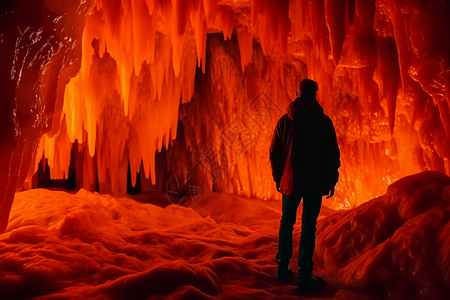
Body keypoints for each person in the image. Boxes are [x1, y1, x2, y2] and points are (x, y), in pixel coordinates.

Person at [269, 79, 340, 291]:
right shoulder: (323, 122)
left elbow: (275, 153)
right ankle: (304, 274)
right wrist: (331, 179)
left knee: (286, 223)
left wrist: (278, 178)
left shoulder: (284, 121)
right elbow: (332, 154)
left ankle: (282, 268)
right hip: (315, 182)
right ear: (314, 95)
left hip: (289, 182)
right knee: (309, 227)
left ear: (297, 94)